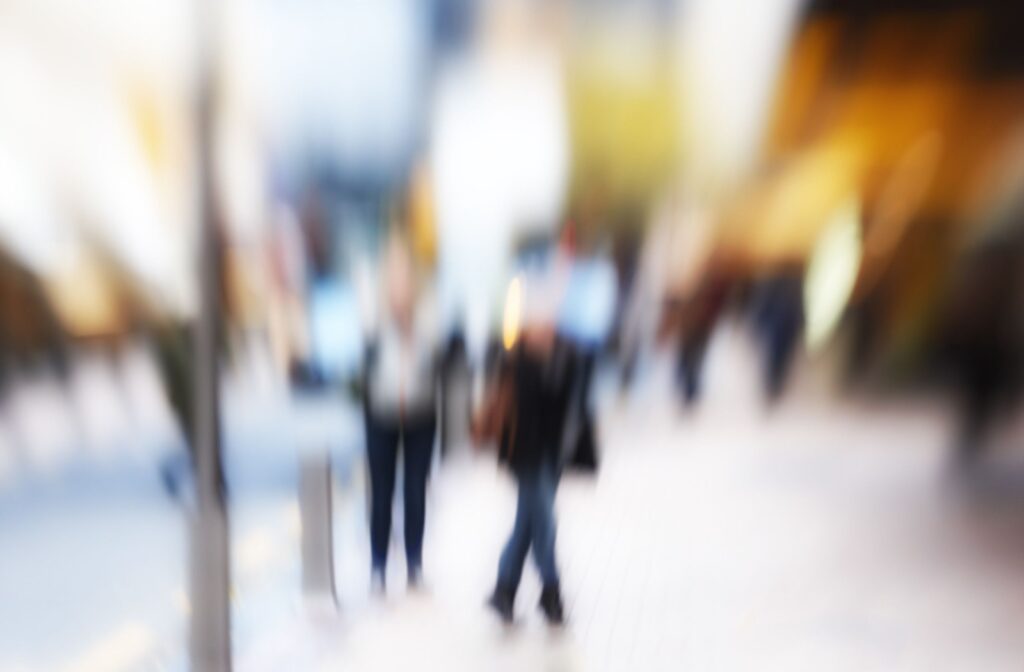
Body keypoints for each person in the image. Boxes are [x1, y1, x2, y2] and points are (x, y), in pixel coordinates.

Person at [480, 266, 576, 626]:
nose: (544, 327)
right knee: (545, 524)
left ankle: (503, 591)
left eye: (548, 320)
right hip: (525, 455)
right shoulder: (514, 359)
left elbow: (570, 407)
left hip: (552, 456)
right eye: (537, 321)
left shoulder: (563, 357)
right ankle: (552, 594)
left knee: (527, 523)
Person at [363, 235, 438, 594]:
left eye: (404, 275)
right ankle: (378, 565)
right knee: (381, 491)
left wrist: (413, 327)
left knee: (415, 489)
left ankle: (414, 564)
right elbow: (365, 360)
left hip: (422, 414)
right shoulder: (373, 316)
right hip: (382, 414)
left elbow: (436, 357)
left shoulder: (428, 315)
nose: (399, 284)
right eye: (392, 276)